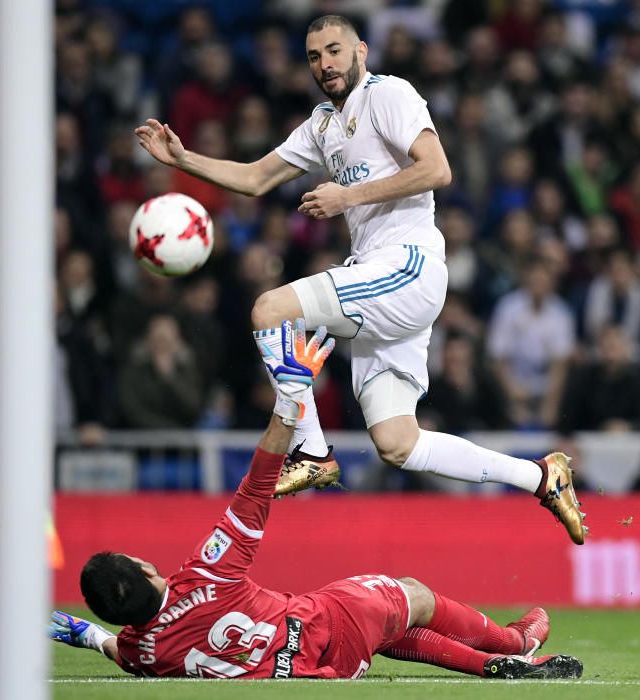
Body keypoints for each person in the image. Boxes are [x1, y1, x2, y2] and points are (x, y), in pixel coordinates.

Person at [135, 14, 586, 544]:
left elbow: (437, 169)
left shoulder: (389, 94)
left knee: (269, 311)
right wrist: (183, 159)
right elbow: (256, 178)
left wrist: (346, 196)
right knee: (398, 443)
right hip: (379, 277)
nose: (324, 64)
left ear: (361, 51)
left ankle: (311, 451)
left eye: (333, 51)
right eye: (313, 56)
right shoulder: (322, 124)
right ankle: (541, 476)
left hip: (407, 265)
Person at [49, 320, 583, 680]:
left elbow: (122, 652)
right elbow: (257, 485)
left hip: (321, 672)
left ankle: (494, 662)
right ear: (146, 568)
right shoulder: (204, 575)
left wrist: (86, 634)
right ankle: (511, 647)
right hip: (325, 625)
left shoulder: (146, 653)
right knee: (410, 594)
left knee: (386, 626)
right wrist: (290, 400)